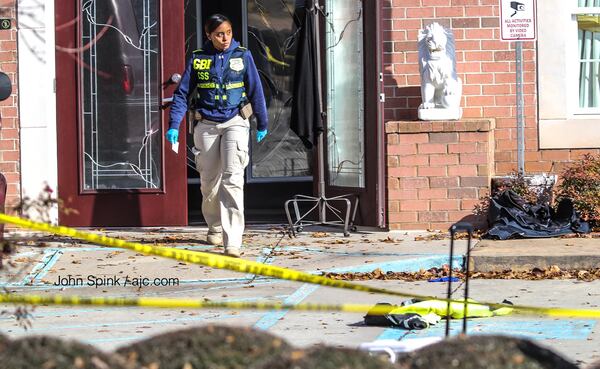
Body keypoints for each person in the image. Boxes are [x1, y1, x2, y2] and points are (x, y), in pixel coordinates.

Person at [166, 14, 268, 257]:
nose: (225, 38)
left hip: (235, 121)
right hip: (206, 124)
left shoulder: (243, 56)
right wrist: (174, 124)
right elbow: (182, 95)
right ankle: (214, 225)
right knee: (210, 181)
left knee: (232, 179)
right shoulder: (199, 59)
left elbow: (256, 90)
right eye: (220, 34)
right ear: (209, 35)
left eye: (229, 32)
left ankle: (232, 240)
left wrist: (262, 122)